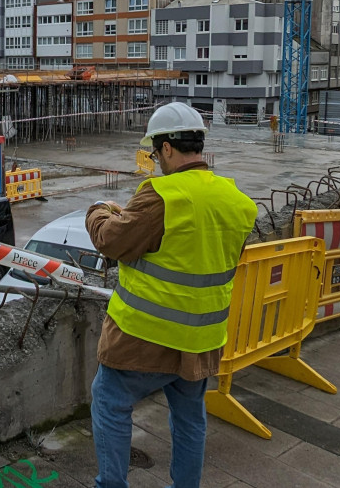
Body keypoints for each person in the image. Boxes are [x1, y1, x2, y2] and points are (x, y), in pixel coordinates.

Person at [84, 102, 256, 488]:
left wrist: (99, 210)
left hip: (144, 337)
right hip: (201, 339)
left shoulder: (161, 195)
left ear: (165, 149)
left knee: (110, 402)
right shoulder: (237, 202)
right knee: (190, 418)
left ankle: (111, 484)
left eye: (155, 152)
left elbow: (112, 241)